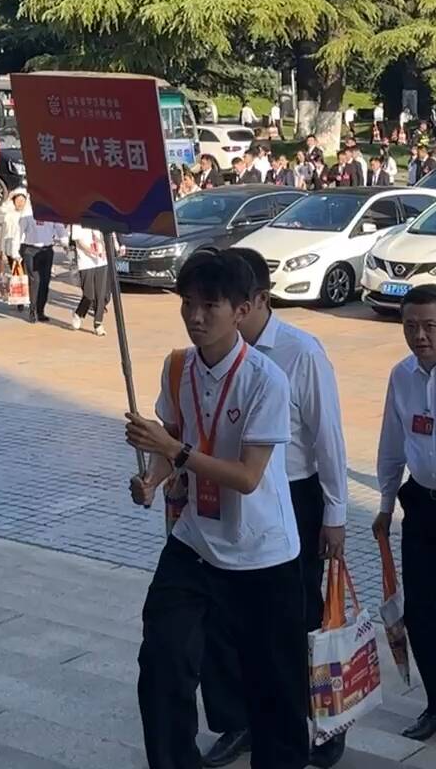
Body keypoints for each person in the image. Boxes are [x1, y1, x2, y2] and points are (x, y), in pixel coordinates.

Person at [124, 251, 309, 769]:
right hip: (195, 545)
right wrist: (153, 477)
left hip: (262, 555)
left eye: (211, 305)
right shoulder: (177, 366)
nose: (196, 316)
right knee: (162, 661)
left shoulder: (266, 380)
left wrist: (176, 452)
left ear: (243, 308)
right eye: (188, 304)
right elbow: (174, 438)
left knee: (275, 691)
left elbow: (249, 477)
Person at [195, 250, 349, 768]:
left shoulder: (299, 353)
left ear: (255, 301)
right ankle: (239, 720)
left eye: (230, 302)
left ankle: (318, 721)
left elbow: (328, 438)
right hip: (228, 501)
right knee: (222, 621)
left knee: (297, 621)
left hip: (292, 500)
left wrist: (335, 513)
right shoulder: (204, 357)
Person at [373, 285, 436, 740]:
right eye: (410, 326)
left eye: (429, 325)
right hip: (422, 508)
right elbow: (392, 443)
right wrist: (386, 505)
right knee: (420, 610)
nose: (420, 335)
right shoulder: (401, 375)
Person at [19, 211, 64, 324]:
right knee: (35, 281)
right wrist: (16, 250)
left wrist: (65, 241)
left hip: (47, 250)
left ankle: (41, 310)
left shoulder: (51, 212)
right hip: (31, 250)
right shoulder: (27, 214)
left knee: (45, 282)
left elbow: (59, 228)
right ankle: (32, 309)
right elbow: (18, 232)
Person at [69, 223, 111, 335]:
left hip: (101, 260)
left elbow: (104, 236)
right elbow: (78, 241)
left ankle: (98, 323)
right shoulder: (77, 222)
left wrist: (106, 249)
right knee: (89, 295)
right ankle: (78, 313)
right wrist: (90, 251)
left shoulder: (99, 219)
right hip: (86, 261)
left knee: (100, 293)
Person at [0, 187, 30, 306]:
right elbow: (3, 235)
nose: (20, 203)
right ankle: (19, 299)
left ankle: (25, 296)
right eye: (18, 200)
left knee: (25, 274)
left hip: (25, 248)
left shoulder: (28, 216)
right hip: (10, 249)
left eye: (22, 200)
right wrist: (1, 251)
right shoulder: (9, 216)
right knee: (15, 273)